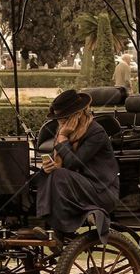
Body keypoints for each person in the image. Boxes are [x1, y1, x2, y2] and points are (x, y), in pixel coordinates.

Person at [34, 89, 119, 241]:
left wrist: (62, 137)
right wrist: (47, 168)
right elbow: (62, 165)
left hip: (101, 191)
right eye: (58, 119)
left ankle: (58, 230)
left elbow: (73, 163)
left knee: (58, 175)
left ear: (78, 114)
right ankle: (49, 226)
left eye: (64, 118)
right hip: (76, 187)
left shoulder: (96, 132)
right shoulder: (66, 132)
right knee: (43, 175)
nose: (60, 123)